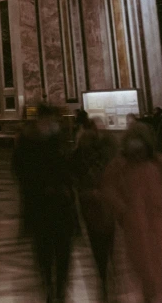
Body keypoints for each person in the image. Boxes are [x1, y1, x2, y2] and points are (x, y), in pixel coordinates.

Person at [13, 104, 75, 303]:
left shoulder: (58, 138)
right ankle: (49, 286)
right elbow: (20, 170)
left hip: (60, 204)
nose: (54, 123)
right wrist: (44, 185)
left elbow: (69, 168)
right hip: (41, 205)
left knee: (63, 251)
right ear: (42, 119)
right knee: (45, 251)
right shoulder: (28, 141)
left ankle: (59, 289)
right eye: (51, 119)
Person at [104, 122, 162, 303]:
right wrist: (123, 211)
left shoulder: (156, 162)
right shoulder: (120, 166)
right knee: (144, 265)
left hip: (155, 220)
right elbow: (109, 189)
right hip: (135, 223)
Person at [71, 119, 117, 300]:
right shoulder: (107, 154)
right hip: (102, 204)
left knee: (97, 237)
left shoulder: (79, 155)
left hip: (90, 204)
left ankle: (103, 271)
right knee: (106, 235)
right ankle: (106, 268)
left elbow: (74, 178)